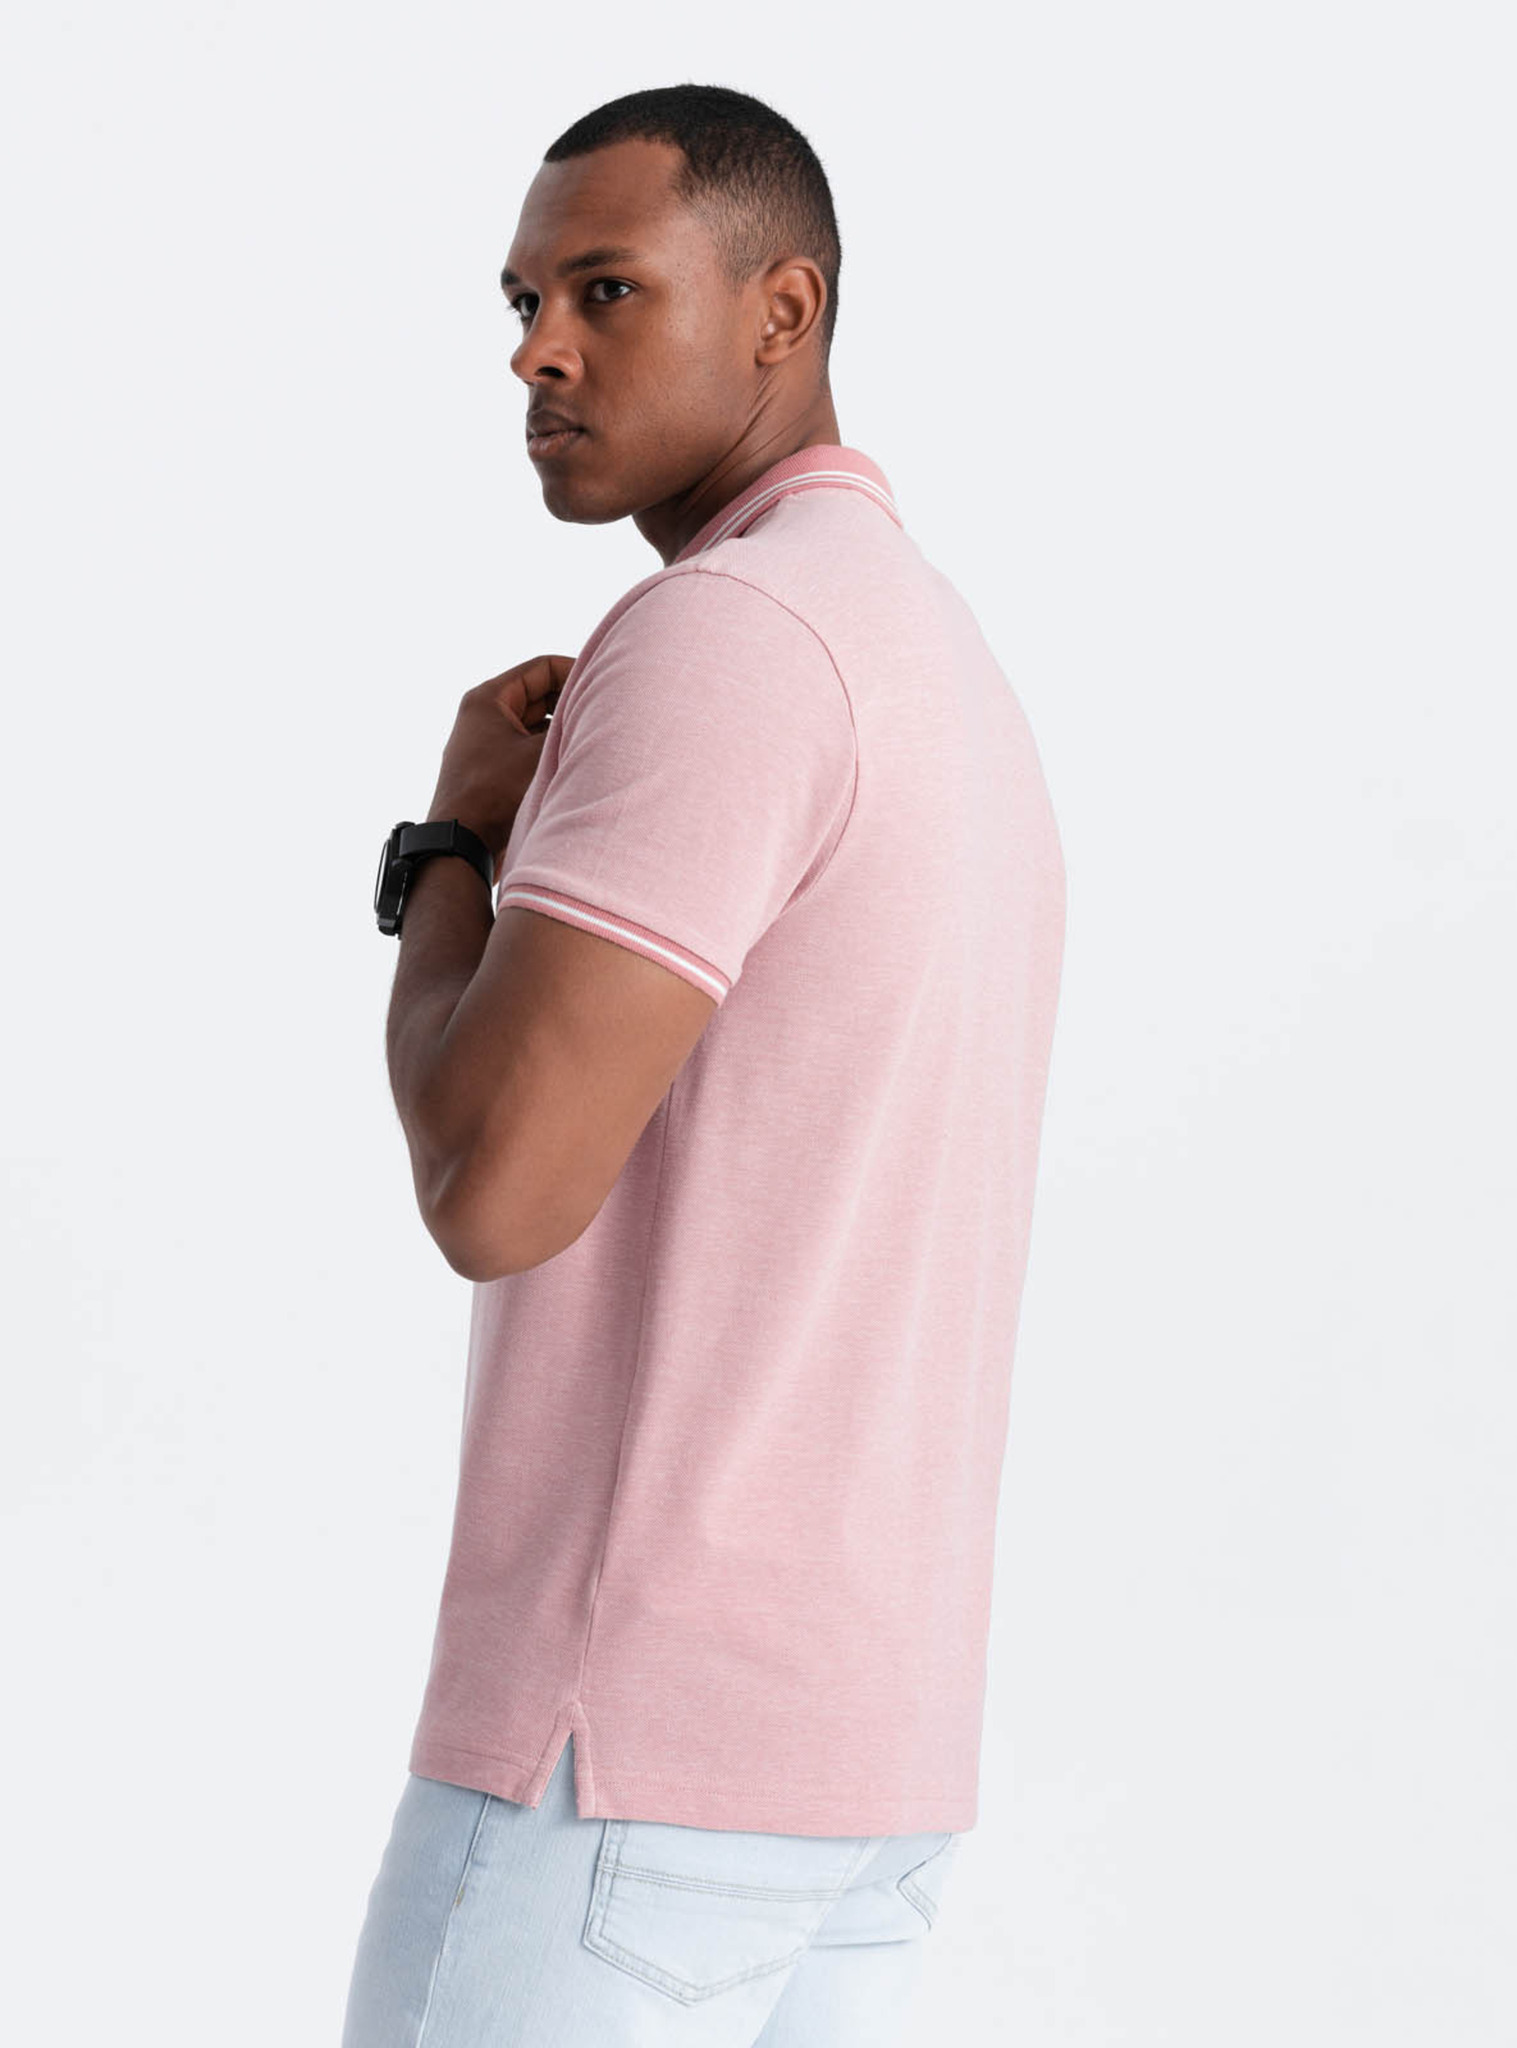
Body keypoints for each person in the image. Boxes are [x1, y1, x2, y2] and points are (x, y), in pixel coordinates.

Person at [345, 80, 1067, 2047]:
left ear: (782, 310)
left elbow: (492, 1186)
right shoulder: (933, 654)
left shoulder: (724, 638)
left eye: (606, 289)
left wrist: (450, 849)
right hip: (862, 1772)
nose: (537, 351)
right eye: (522, 302)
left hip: (620, 1770)